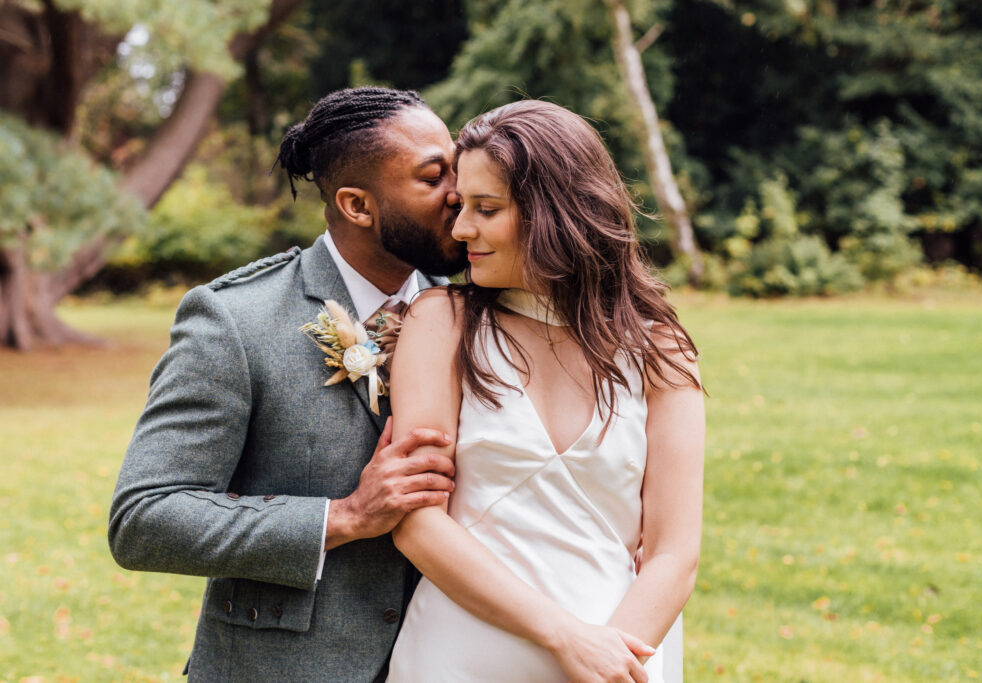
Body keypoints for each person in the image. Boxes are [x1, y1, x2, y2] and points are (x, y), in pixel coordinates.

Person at [108, 87, 467, 682]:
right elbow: (144, 519)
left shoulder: (479, 315)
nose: (459, 192)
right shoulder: (235, 320)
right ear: (357, 205)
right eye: (433, 178)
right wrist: (344, 516)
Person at [383, 100, 705, 682]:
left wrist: (611, 661)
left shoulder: (662, 352)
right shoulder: (443, 322)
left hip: (622, 654)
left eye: (487, 209)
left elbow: (673, 554)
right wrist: (566, 639)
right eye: (461, 207)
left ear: (556, 212)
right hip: (462, 655)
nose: (460, 230)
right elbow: (415, 521)